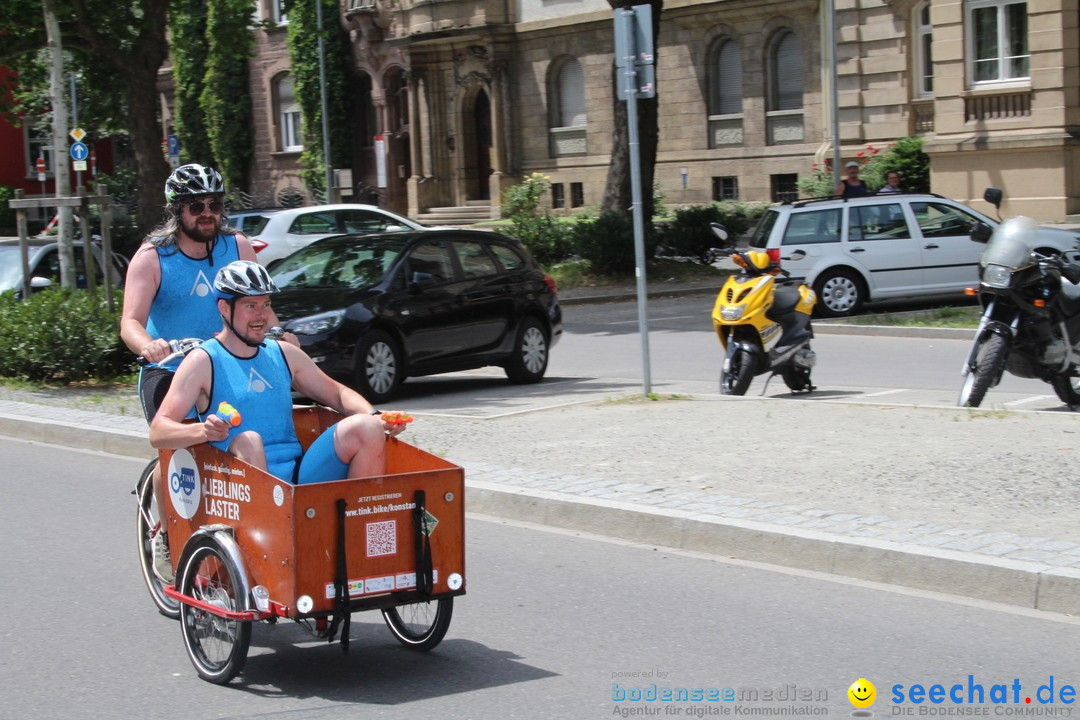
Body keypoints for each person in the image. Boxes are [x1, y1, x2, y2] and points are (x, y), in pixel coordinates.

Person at [121, 164, 294, 582]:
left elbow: (257, 300)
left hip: (229, 362)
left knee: (247, 435)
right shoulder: (152, 256)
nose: (207, 213)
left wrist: (279, 333)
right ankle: (165, 535)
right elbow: (130, 321)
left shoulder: (236, 244)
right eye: (196, 206)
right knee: (178, 446)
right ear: (177, 210)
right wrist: (149, 345)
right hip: (172, 367)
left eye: (214, 205)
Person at [149, 261, 403, 490]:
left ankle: (359, 527)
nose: (261, 315)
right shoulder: (203, 361)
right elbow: (159, 432)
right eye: (250, 306)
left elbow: (338, 393)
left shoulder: (283, 353)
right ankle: (269, 524)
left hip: (294, 474)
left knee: (366, 427)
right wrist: (205, 431)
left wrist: (376, 417)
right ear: (224, 308)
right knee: (250, 440)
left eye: (266, 304)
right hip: (237, 483)